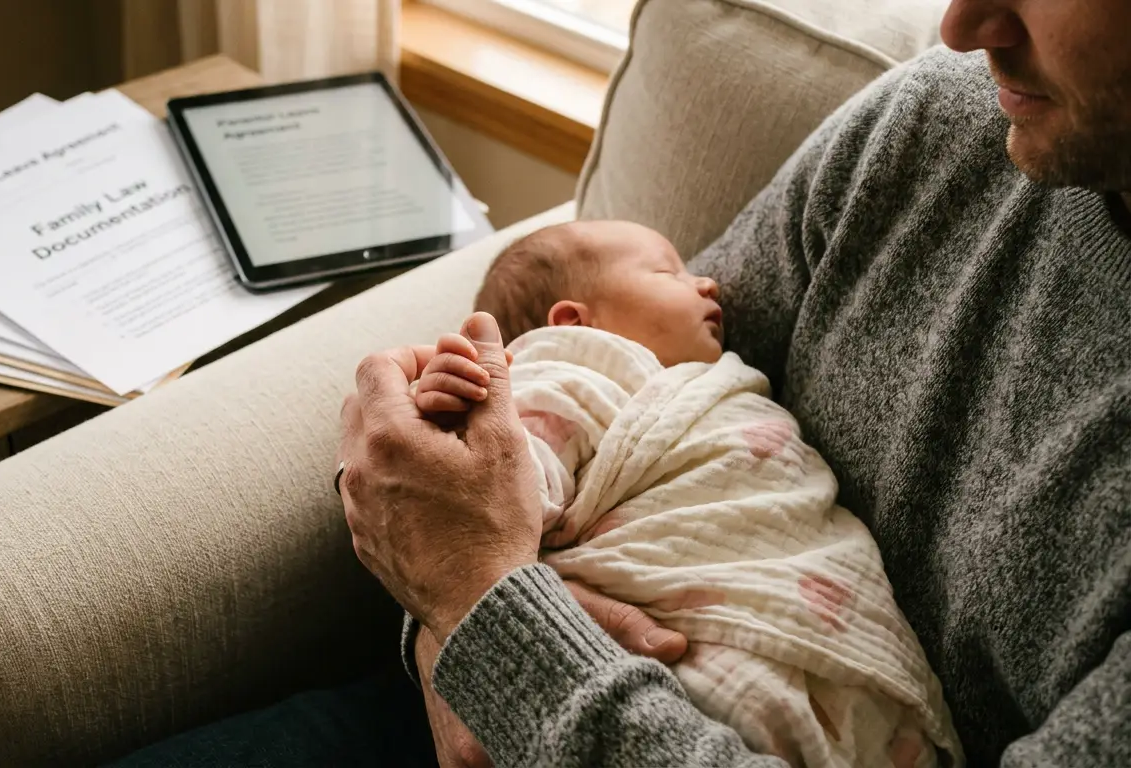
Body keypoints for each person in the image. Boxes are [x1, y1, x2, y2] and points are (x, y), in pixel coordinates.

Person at [114, 0, 1129, 765]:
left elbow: (480, 573)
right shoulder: (936, 125)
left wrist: (486, 621)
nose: (960, 24)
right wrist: (448, 621)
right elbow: (617, 387)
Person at [406, 217, 961, 768]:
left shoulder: (685, 383)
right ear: (575, 320)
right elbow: (496, 491)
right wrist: (455, 419)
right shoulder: (576, 366)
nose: (709, 284)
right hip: (678, 652)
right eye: (668, 272)